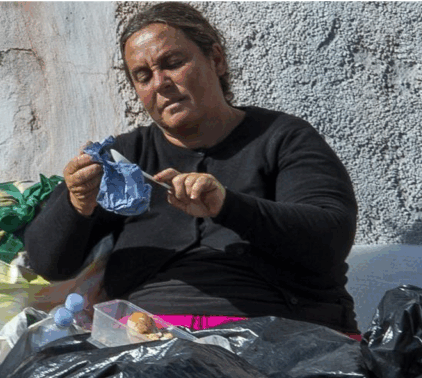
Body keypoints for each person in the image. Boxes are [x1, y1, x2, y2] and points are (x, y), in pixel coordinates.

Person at [24, 2, 360, 335]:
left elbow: (328, 240)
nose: (160, 83)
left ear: (217, 59)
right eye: (143, 76)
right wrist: (76, 204)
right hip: (146, 339)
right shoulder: (126, 159)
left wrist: (227, 206)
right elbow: (49, 264)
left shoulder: (283, 138)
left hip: (278, 335)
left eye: (173, 63)